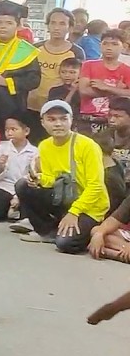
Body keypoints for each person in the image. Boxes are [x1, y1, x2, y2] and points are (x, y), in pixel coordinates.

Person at [15, 100, 109, 252]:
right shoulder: (45, 145)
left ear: (71, 120)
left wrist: (74, 212)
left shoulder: (88, 146)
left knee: (65, 244)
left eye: (63, 119)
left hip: (89, 207)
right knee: (23, 185)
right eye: (51, 119)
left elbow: (96, 185)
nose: (58, 124)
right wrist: (39, 180)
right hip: (64, 198)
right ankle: (47, 231)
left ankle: (88, 230)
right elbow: (52, 180)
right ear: (43, 122)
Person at [27, 8, 84, 133]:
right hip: (32, 106)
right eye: (53, 23)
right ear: (47, 26)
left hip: (60, 110)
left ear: (70, 28)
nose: (56, 28)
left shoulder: (76, 52)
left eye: (62, 23)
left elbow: (79, 80)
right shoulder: (35, 48)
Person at [87, 98, 130, 262]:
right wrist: (99, 233)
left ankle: (112, 252)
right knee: (96, 231)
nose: (112, 120)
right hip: (115, 191)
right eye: (111, 115)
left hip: (125, 187)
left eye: (118, 116)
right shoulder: (104, 136)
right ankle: (119, 252)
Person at [0, 116, 38, 222]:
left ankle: (16, 209)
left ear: (26, 131)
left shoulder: (34, 151)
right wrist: (1, 165)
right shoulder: (2, 148)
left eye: (13, 129)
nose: (9, 132)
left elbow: (32, 175)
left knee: (27, 216)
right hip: (4, 186)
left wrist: (17, 196)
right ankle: (8, 209)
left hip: (23, 189)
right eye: (7, 130)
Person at [77, 29, 130, 134]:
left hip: (114, 121)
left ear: (123, 46)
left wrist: (106, 87)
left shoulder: (127, 70)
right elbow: (83, 91)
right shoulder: (88, 65)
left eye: (115, 44)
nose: (109, 47)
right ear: (100, 45)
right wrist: (117, 90)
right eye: (105, 43)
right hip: (87, 119)